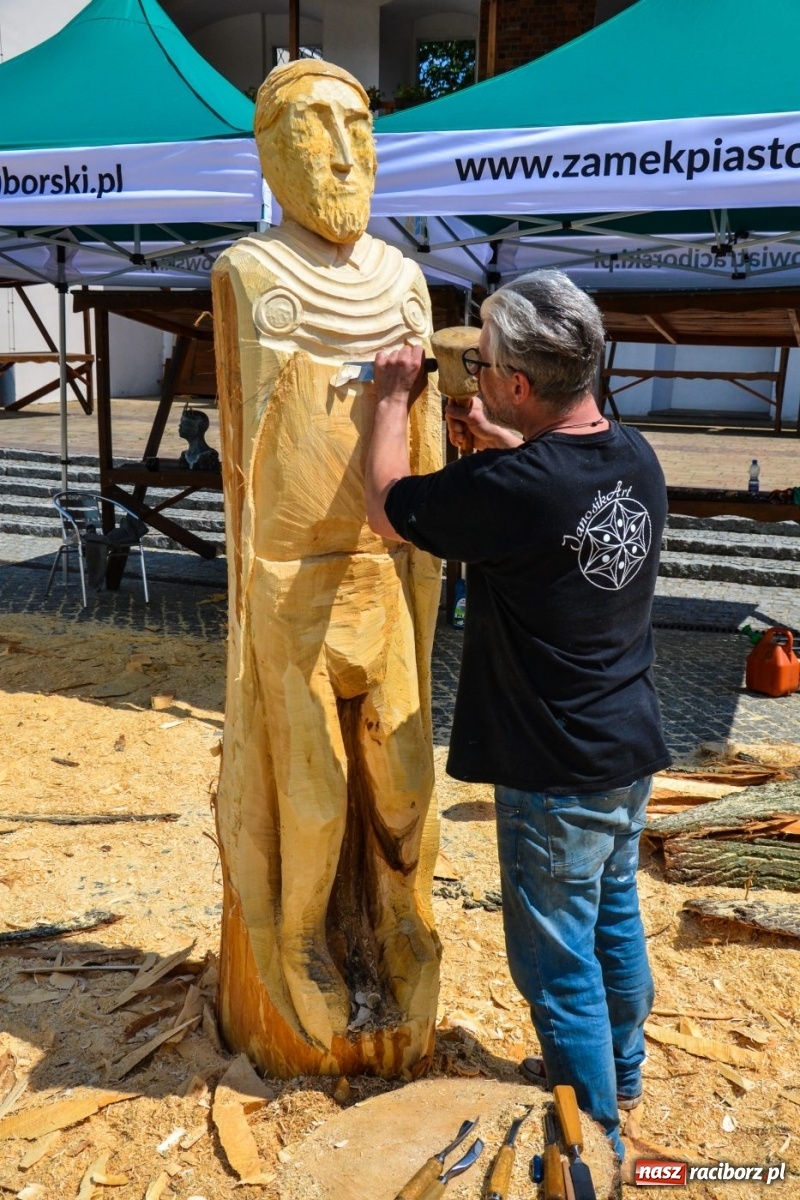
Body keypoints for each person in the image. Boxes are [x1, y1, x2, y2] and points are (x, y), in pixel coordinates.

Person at [365, 269, 671, 1158]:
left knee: (556, 962)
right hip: (625, 746)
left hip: (553, 767)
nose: (475, 374)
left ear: (521, 385)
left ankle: (593, 1133)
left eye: (486, 364)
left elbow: (386, 508)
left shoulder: (516, 488)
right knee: (612, 920)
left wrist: (391, 401)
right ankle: (622, 1072)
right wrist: (504, 445)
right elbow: (554, 495)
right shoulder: (633, 454)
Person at [211, 59, 442, 1069]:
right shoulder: (250, 273)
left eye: (359, 125)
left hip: (381, 571)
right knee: (310, 792)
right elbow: (245, 459)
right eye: (314, 126)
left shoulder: (403, 281)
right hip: (290, 581)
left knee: (404, 777)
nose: (345, 153)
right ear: (269, 150)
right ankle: (297, 937)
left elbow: (425, 439)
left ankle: (400, 919)